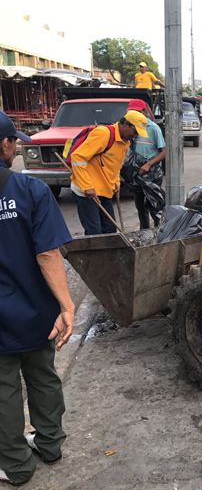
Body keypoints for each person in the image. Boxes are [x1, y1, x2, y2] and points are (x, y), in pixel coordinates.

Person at [0, 111, 75, 486]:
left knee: (4, 391)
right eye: (13, 141)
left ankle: (15, 466)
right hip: (35, 313)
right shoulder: (31, 191)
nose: (15, 147)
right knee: (43, 378)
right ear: (4, 145)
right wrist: (66, 305)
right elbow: (48, 255)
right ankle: (49, 445)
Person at [70, 111, 148, 235]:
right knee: (94, 232)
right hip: (87, 192)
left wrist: (116, 181)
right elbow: (78, 157)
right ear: (126, 124)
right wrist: (87, 186)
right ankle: (94, 254)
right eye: (135, 132)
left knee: (110, 230)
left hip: (105, 189)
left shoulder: (125, 142)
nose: (135, 136)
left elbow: (115, 165)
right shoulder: (103, 134)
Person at [123, 100, 166, 229]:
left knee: (154, 206)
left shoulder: (153, 128)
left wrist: (149, 164)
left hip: (151, 173)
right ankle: (144, 232)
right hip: (137, 173)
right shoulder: (130, 128)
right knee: (140, 206)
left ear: (144, 112)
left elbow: (164, 152)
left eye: (137, 112)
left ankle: (159, 231)